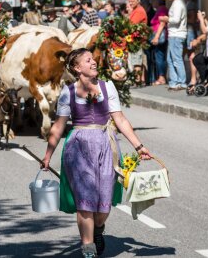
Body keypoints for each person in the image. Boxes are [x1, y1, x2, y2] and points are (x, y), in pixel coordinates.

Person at [41, 48, 152, 258]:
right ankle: (88, 248)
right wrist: (48, 155)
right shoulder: (68, 92)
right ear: (76, 67)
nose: (94, 62)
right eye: (88, 60)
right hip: (78, 147)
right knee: (84, 202)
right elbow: (58, 126)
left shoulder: (107, 87)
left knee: (103, 205)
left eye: (93, 59)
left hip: (105, 145)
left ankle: (98, 229)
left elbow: (120, 119)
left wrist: (139, 146)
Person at [159, 0, 187, 91]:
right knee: (170, 60)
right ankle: (174, 82)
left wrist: (166, 18)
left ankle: (182, 83)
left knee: (176, 59)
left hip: (177, 34)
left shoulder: (178, 3)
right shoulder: (175, 3)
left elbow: (176, 20)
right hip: (173, 34)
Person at [128, 0, 148, 87]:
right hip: (136, 39)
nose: (130, 3)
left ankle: (137, 81)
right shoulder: (136, 10)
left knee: (136, 61)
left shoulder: (139, 11)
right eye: (129, 1)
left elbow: (131, 24)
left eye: (132, 1)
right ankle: (141, 80)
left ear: (137, 1)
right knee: (138, 60)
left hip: (137, 40)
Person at [150, 0, 168, 86]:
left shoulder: (161, 9)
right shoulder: (159, 10)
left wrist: (156, 36)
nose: (151, 3)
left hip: (160, 36)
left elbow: (162, 23)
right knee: (159, 56)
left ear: (157, 1)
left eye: (152, 1)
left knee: (159, 57)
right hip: (158, 35)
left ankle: (162, 77)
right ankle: (161, 77)